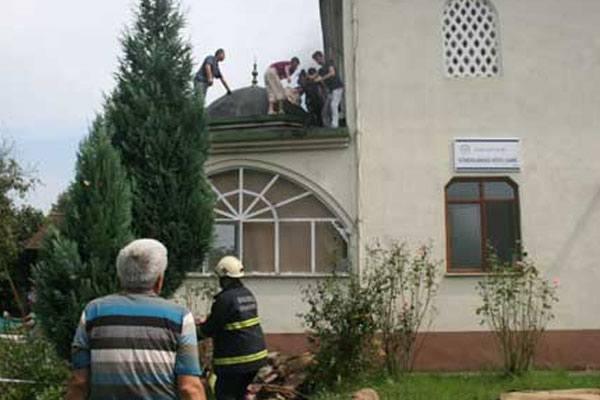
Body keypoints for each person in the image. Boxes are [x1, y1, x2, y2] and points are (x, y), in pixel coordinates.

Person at [65, 239, 206, 400]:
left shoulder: (93, 312)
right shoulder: (180, 317)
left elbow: (79, 383)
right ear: (159, 280)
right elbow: (189, 388)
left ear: (120, 275)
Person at [197, 256, 267, 400]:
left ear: (225, 278)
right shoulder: (247, 294)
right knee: (238, 394)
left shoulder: (225, 299)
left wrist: (191, 332)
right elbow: (234, 321)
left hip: (236, 361)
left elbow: (210, 328)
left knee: (224, 394)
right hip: (256, 358)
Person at [312, 50, 344, 128]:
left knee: (333, 105)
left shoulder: (329, 63)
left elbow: (332, 73)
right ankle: (327, 127)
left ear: (321, 56)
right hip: (331, 91)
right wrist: (307, 77)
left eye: (317, 59)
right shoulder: (321, 70)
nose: (317, 62)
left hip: (337, 88)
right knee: (325, 112)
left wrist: (321, 78)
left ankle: (335, 125)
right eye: (315, 60)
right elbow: (313, 76)